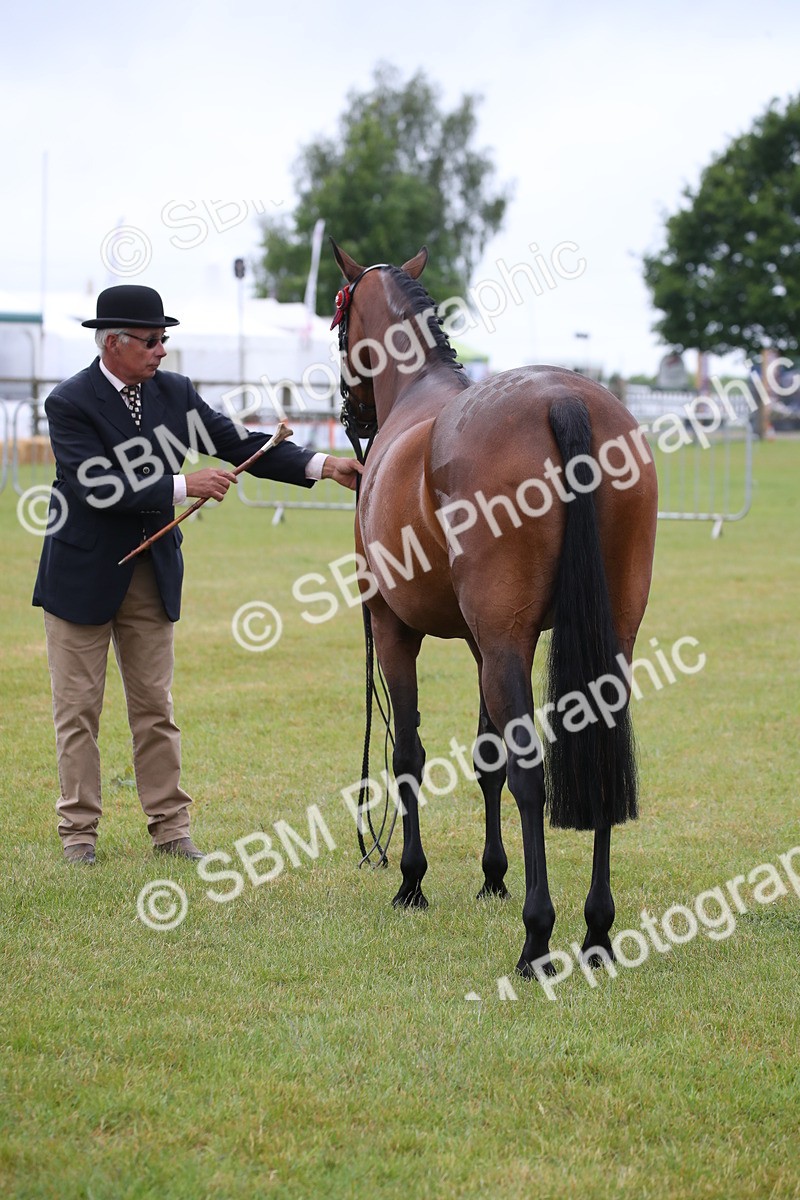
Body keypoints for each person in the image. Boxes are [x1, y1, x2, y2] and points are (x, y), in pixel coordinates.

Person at [33, 284, 362, 865]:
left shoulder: (175, 393)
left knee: (155, 709)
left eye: (166, 339)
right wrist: (187, 484)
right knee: (79, 713)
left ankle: (170, 828)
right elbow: (97, 485)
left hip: (151, 575)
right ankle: (78, 835)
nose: (162, 350)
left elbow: (239, 445)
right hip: (82, 577)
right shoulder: (69, 403)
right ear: (112, 342)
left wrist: (324, 465)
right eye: (152, 340)